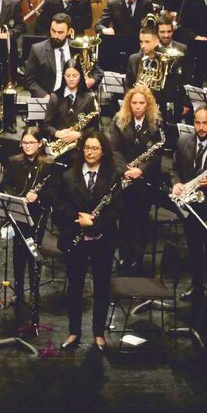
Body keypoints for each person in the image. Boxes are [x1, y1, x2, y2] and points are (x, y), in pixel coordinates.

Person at [54, 130, 120, 351]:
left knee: (101, 286)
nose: (90, 152)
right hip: (76, 238)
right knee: (75, 287)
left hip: (103, 239)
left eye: (95, 148)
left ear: (103, 152)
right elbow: (59, 208)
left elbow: (115, 210)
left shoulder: (112, 177)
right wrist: (79, 220)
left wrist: (94, 223)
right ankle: (74, 332)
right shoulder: (67, 176)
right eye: (87, 148)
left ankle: (98, 334)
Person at [169, 105, 207, 331]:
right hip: (190, 206)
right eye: (197, 123)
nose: (201, 127)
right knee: (194, 249)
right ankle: (197, 286)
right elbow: (174, 169)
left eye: (205, 123)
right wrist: (176, 183)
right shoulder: (184, 141)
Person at [109, 84, 163, 274]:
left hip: (145, 180)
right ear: (128, 104)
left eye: (142, 102)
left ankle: (137, 259)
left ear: (148, 104)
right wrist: (125, 170)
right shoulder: (119, 121)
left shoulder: (156, 123)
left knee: (140, 220)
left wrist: (141, 171)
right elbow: (113, 149)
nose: (138, 106)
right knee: (124, 219)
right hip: (124, 178)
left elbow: (157, 152)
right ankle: (124, 257)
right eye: (134, 102)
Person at [2, 127, 55, 317]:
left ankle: (34, 290)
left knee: (34, 252)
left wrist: (38, 198)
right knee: (18, 252)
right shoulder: (14, 161)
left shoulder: (48, 164)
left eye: (32, 143)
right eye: (25, 143)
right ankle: (18, 290)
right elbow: (5, 184)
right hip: (19, 212)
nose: (28, 146)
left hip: (38, 214)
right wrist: (17, 198)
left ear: (40, 144)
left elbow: (54, 191)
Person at [125, 25, 189, 123]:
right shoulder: (133, 59)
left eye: (147, 42)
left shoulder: (166, 60)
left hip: (160, 111)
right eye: (141, 41)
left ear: (157, 42)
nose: (143, 45)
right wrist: (135, 93)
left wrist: (148, 92)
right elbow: (128, 85)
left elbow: (170, 92)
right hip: (136, 110)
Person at [43, 57, 99, 165]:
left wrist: (79, 134)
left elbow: (95, 128)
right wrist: (57, 133)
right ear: (63, 76)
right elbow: (46, 125)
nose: (71, 79)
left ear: (80, 76)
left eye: (75, 76)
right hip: (59, 151)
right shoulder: (55, 97)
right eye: (68, 76)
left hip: (80, 150)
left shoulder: (89, 98)